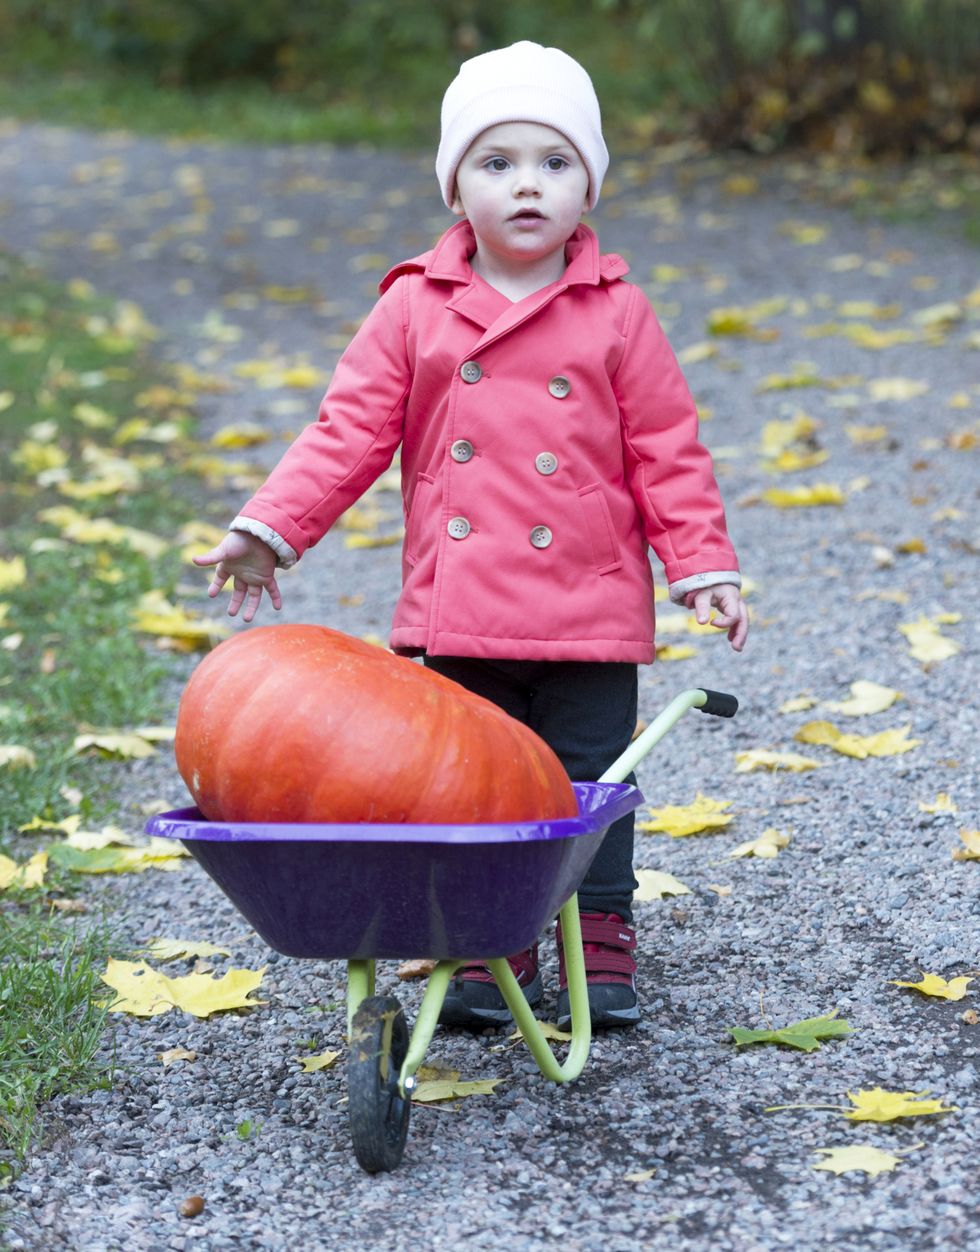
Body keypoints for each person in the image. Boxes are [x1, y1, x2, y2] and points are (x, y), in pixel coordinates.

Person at [194, 41, 748, 1030]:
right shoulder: (415, 306)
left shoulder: (616, 314)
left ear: (589, 185)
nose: (526, 185)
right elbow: (347, 432)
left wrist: (697, 564)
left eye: (553, 162)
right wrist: (270, 529)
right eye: (496, 164)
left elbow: (667, 448)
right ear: (456, 189)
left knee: (589, 785)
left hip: (587, 608)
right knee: (464, 788)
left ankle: (602, 924)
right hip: (461, 610)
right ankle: (490, 938)